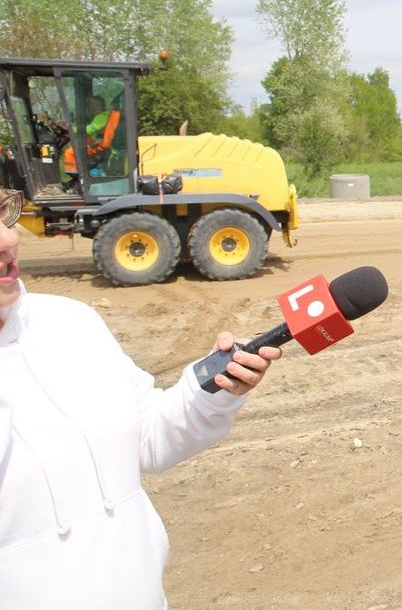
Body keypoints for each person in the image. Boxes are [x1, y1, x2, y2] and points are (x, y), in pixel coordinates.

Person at [0, 187, 283, 609]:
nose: (11, 238)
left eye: (4, 215)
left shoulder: (70, 322)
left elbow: (148, 435)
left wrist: (210, 390)